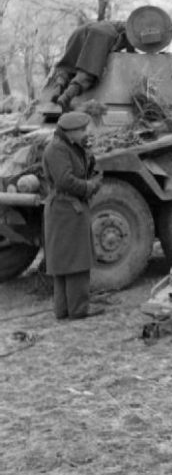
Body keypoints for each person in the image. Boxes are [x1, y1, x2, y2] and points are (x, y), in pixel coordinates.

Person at [42, 111, 103, 320]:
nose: (86, 132)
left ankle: (63, 310)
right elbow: (65, 181)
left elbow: (83, 169)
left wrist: (89, 155)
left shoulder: (70, 147)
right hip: (66, 209)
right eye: (82, 130)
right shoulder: (57, 149)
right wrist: (89, 187)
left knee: (64, 261)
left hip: (66, 209)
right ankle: (78, 310)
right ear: (71, 132)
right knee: (76, 261)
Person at [49, 19, 135, 111]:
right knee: (89, 70)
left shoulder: (123, 22)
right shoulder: (135, 30)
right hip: (101, 33)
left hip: (81, 31)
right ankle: (66, 97)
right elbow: (131, 54)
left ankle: (58, 87)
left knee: (68, 66)